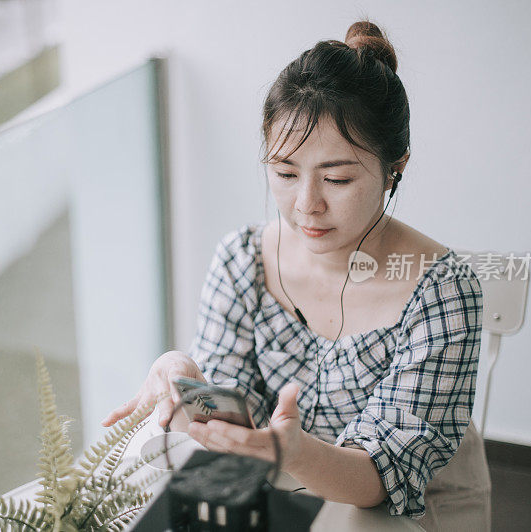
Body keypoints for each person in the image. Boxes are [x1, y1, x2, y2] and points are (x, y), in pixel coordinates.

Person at [102, 20, 491, 531]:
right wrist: (188, 380)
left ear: (396, 167)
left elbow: (386, 475)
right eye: (285, 173)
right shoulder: (243, 259)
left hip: (409, 508)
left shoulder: (443, 291)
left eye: (337, 178)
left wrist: (295, 452)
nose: (306, 205)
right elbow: (232, 407)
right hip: (280, 484)